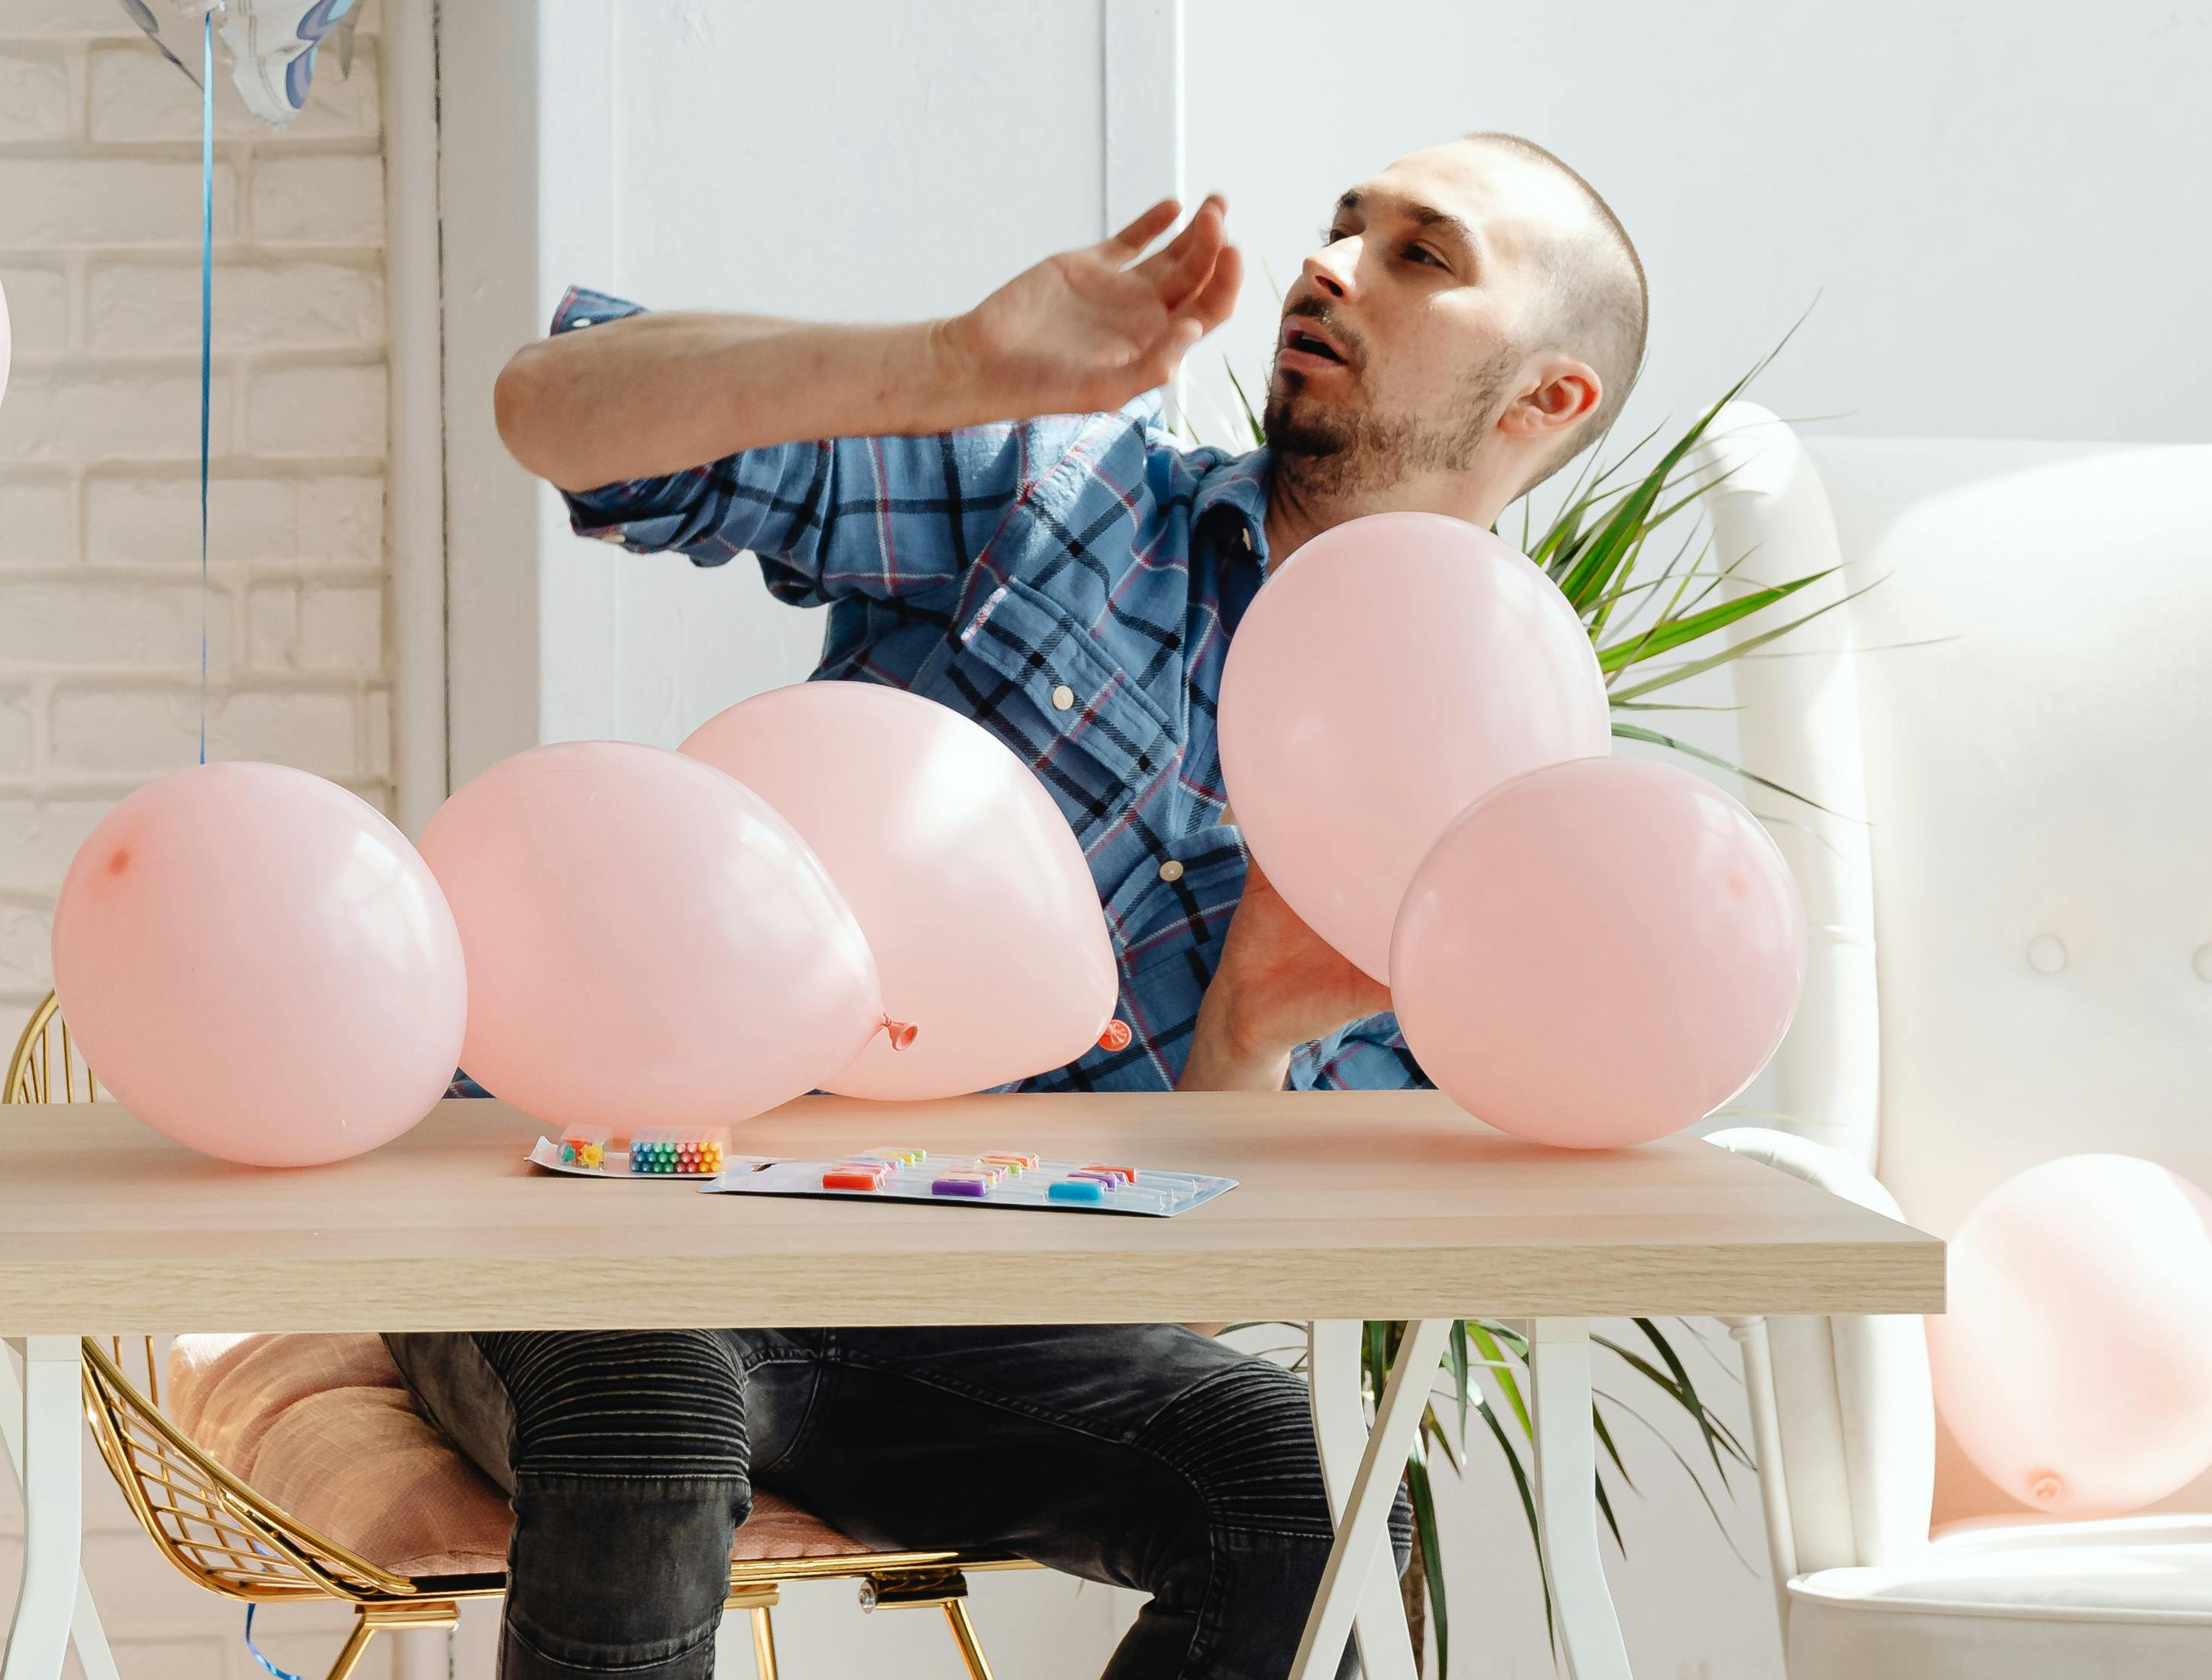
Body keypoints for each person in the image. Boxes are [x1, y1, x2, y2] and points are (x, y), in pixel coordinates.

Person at [409, 135, 1648, 1680]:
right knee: (654, 1395)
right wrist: (959, 360)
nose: (1329, 265)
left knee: (1309, 1495)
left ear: (1547, 399)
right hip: (632, 1198)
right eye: (1341, 227)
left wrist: (1248, 1029)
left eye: (1421, 254)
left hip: (957, 1323)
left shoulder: (1480, 819)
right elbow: (556, 411)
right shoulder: (1058, 497)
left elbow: (1189, 1305)